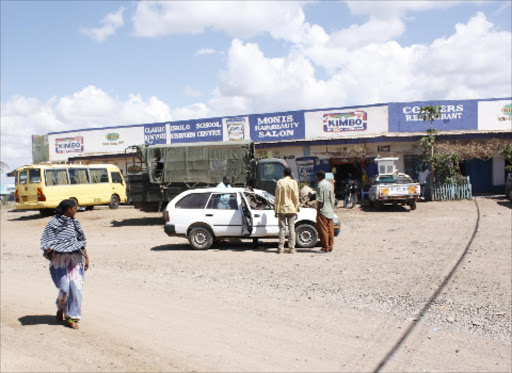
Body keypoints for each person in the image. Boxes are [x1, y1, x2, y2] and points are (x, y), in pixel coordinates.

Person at [40, 199, 89, 329]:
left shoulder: (75, 222)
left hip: (75, 259)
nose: (76, 210)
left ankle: (72, 317)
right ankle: (61, 306)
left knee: (76, 288)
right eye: (74, 208)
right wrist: (48, 249)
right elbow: (46, 240)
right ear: (68, 209)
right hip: (59, 260)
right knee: (65, 288)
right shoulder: (53, 223)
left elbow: (81, 240)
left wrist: (87, 257)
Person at [274, 167, 300, 254]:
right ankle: (291, 248)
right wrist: (297, 207)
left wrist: (275, 208)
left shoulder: (279, 182)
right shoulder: (294, 183)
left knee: (282, 228)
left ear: (284, 173)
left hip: (281, 208)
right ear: (290, 174)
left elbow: (277, 197)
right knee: (291, 228)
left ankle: (281, 248)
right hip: (291, 208)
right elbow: (296, 196)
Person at [316, 170, 335, 252]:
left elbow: (320, 199)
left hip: (323, 209)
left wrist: (318, 210)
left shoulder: (320, 185)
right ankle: (330, 246)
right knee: (330, 228)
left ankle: (325, 246)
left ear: (319, 177)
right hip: (330, 209)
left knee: (323, 229)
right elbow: (333, 198)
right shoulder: (330, 185)